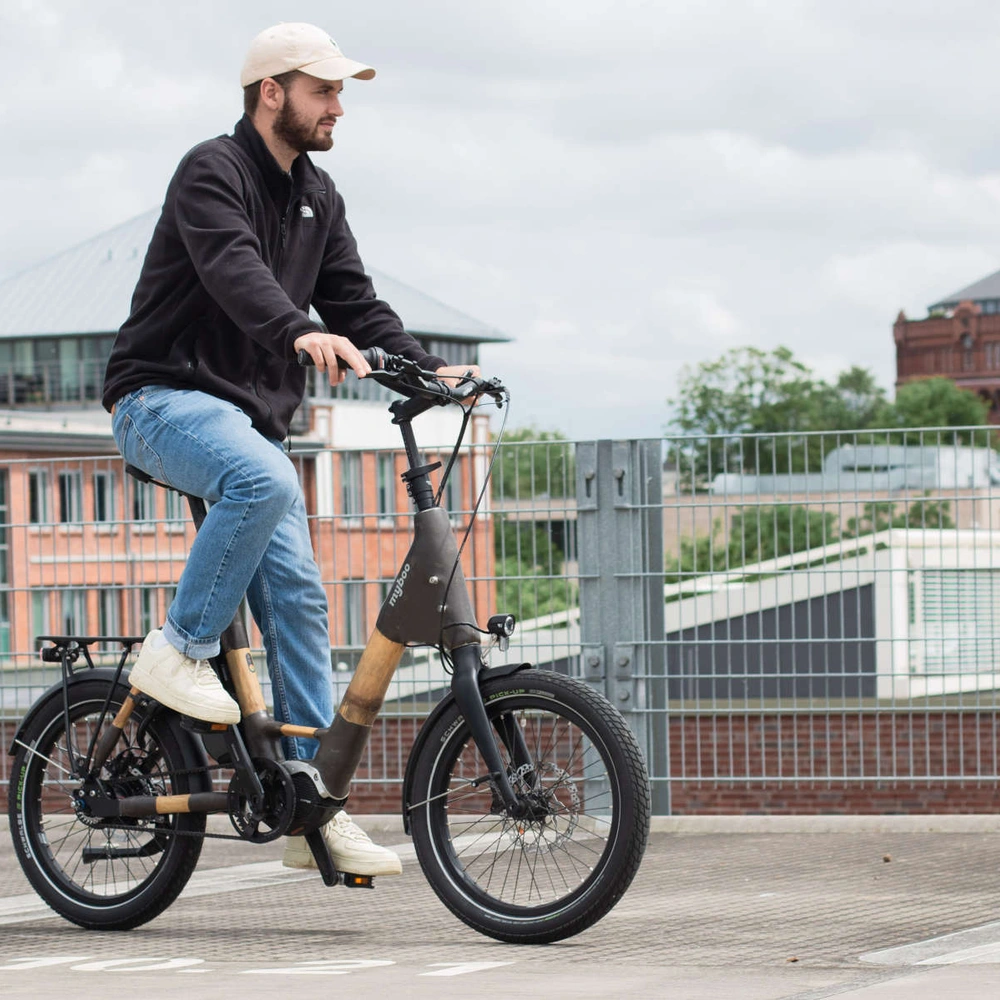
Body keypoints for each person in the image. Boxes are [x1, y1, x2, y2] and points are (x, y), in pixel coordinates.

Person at [101, 22, 479, 876]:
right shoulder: (213, 171)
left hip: (248, 424)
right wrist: (297, 331)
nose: (338, 107)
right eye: (324, 91)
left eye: (341, 93)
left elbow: (356, 299)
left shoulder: (319, 194)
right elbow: (236, 271)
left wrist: (426, 368)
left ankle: (317, 806)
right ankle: (179, 649)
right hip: (159, 397)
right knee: (262, 474)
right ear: (272, 92)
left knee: (303, 604)